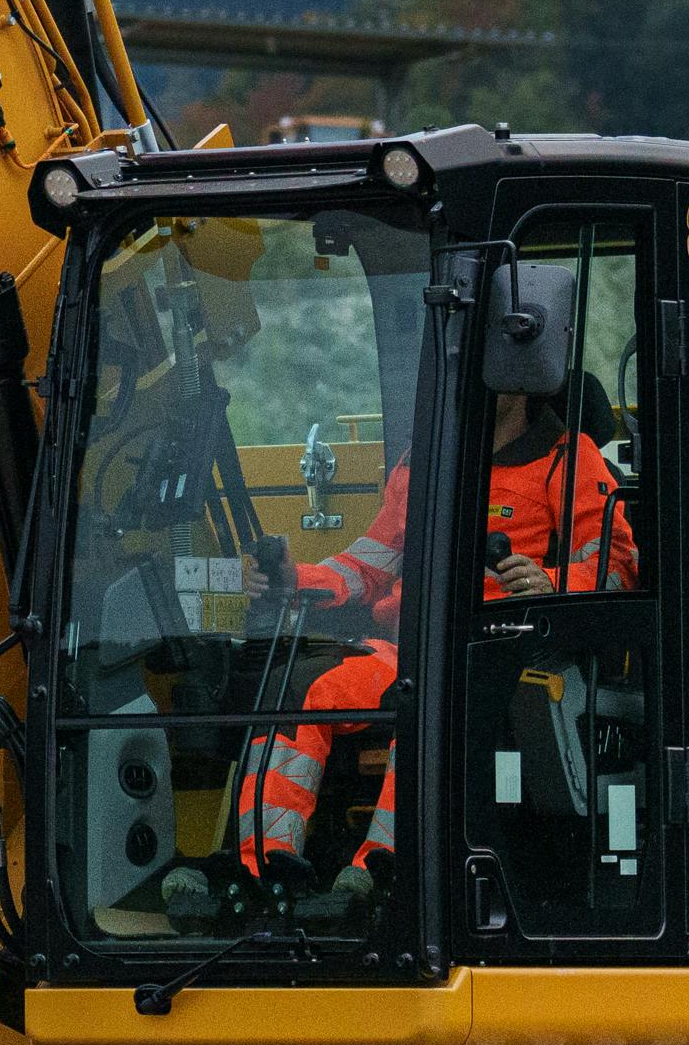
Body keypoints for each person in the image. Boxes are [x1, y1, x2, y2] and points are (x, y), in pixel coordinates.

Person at [233, 373, 636, 898]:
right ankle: (263, 873)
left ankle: (381, 875)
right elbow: (371, 562)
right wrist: (295, 578)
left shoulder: (568, 456)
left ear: (519, 377)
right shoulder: (422, 460)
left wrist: (550, 582)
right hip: (410, 646)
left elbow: (616, 568)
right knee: (302, 688)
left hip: (497, 648)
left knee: (425, 701)